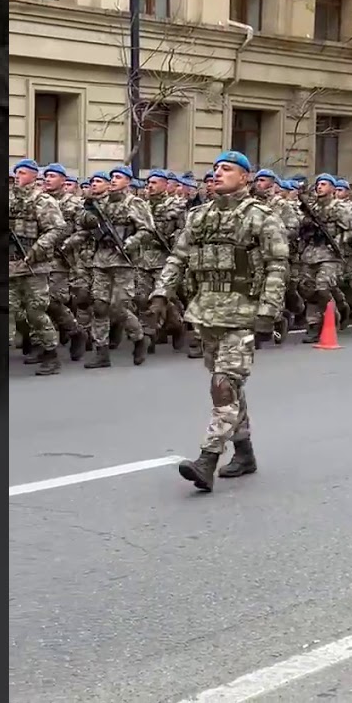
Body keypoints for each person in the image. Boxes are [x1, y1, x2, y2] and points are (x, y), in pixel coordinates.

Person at [148, 151, 289, 492]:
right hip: (206, 311)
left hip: (243, 312)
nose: (217, 174)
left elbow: (277, 265)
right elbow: (179, 257)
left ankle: (206, 459)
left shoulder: (261, 217)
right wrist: (161, 294)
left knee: (223, 384)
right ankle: (245, 454)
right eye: (215, 169)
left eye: (227, 169)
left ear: (245, 177)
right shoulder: (199, 216)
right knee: (230, 387)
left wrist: (269, 311)